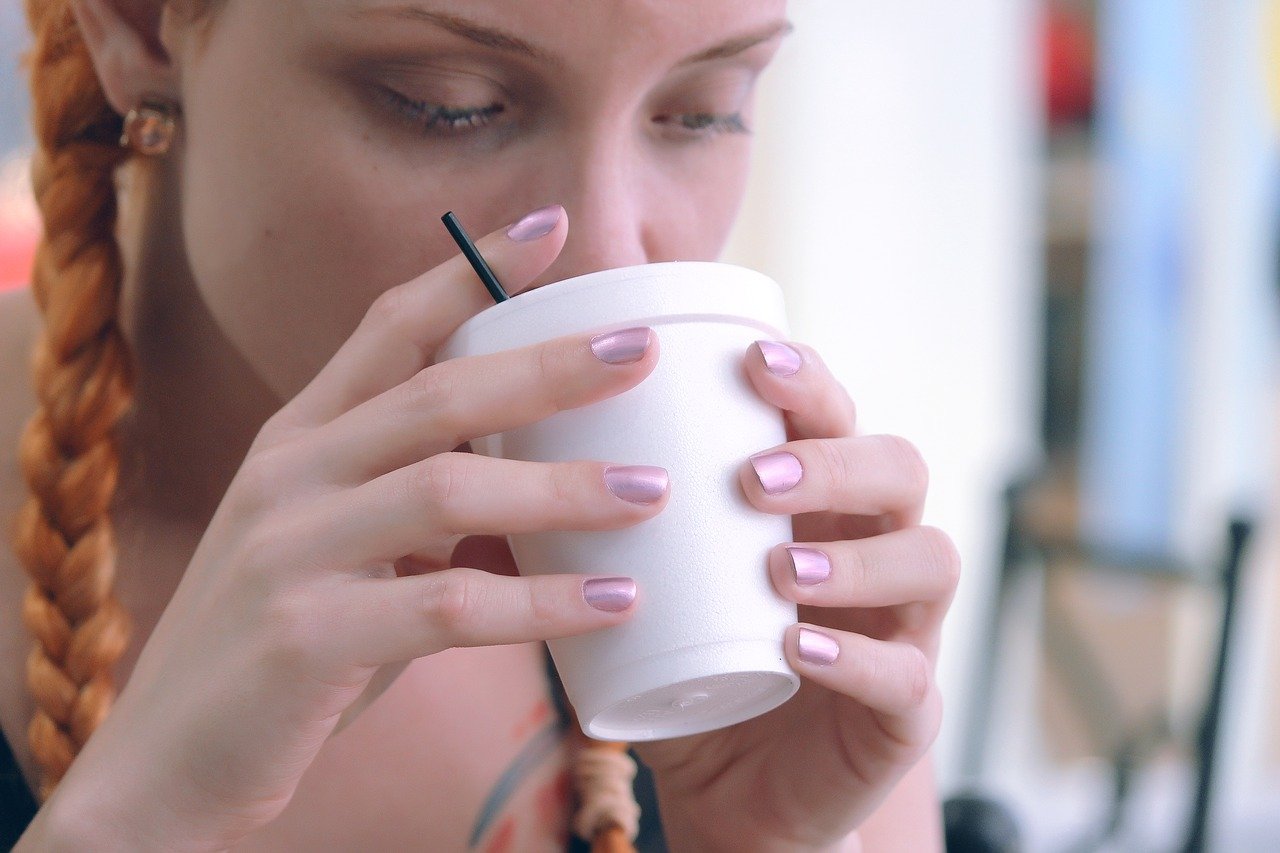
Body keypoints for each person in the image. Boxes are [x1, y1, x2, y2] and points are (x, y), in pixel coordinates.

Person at [0, 1, 960, 850]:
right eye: (448, 101)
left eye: (702, 110)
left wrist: (769, 843)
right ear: (134, 20)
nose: (603, 256)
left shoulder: (774, 591)